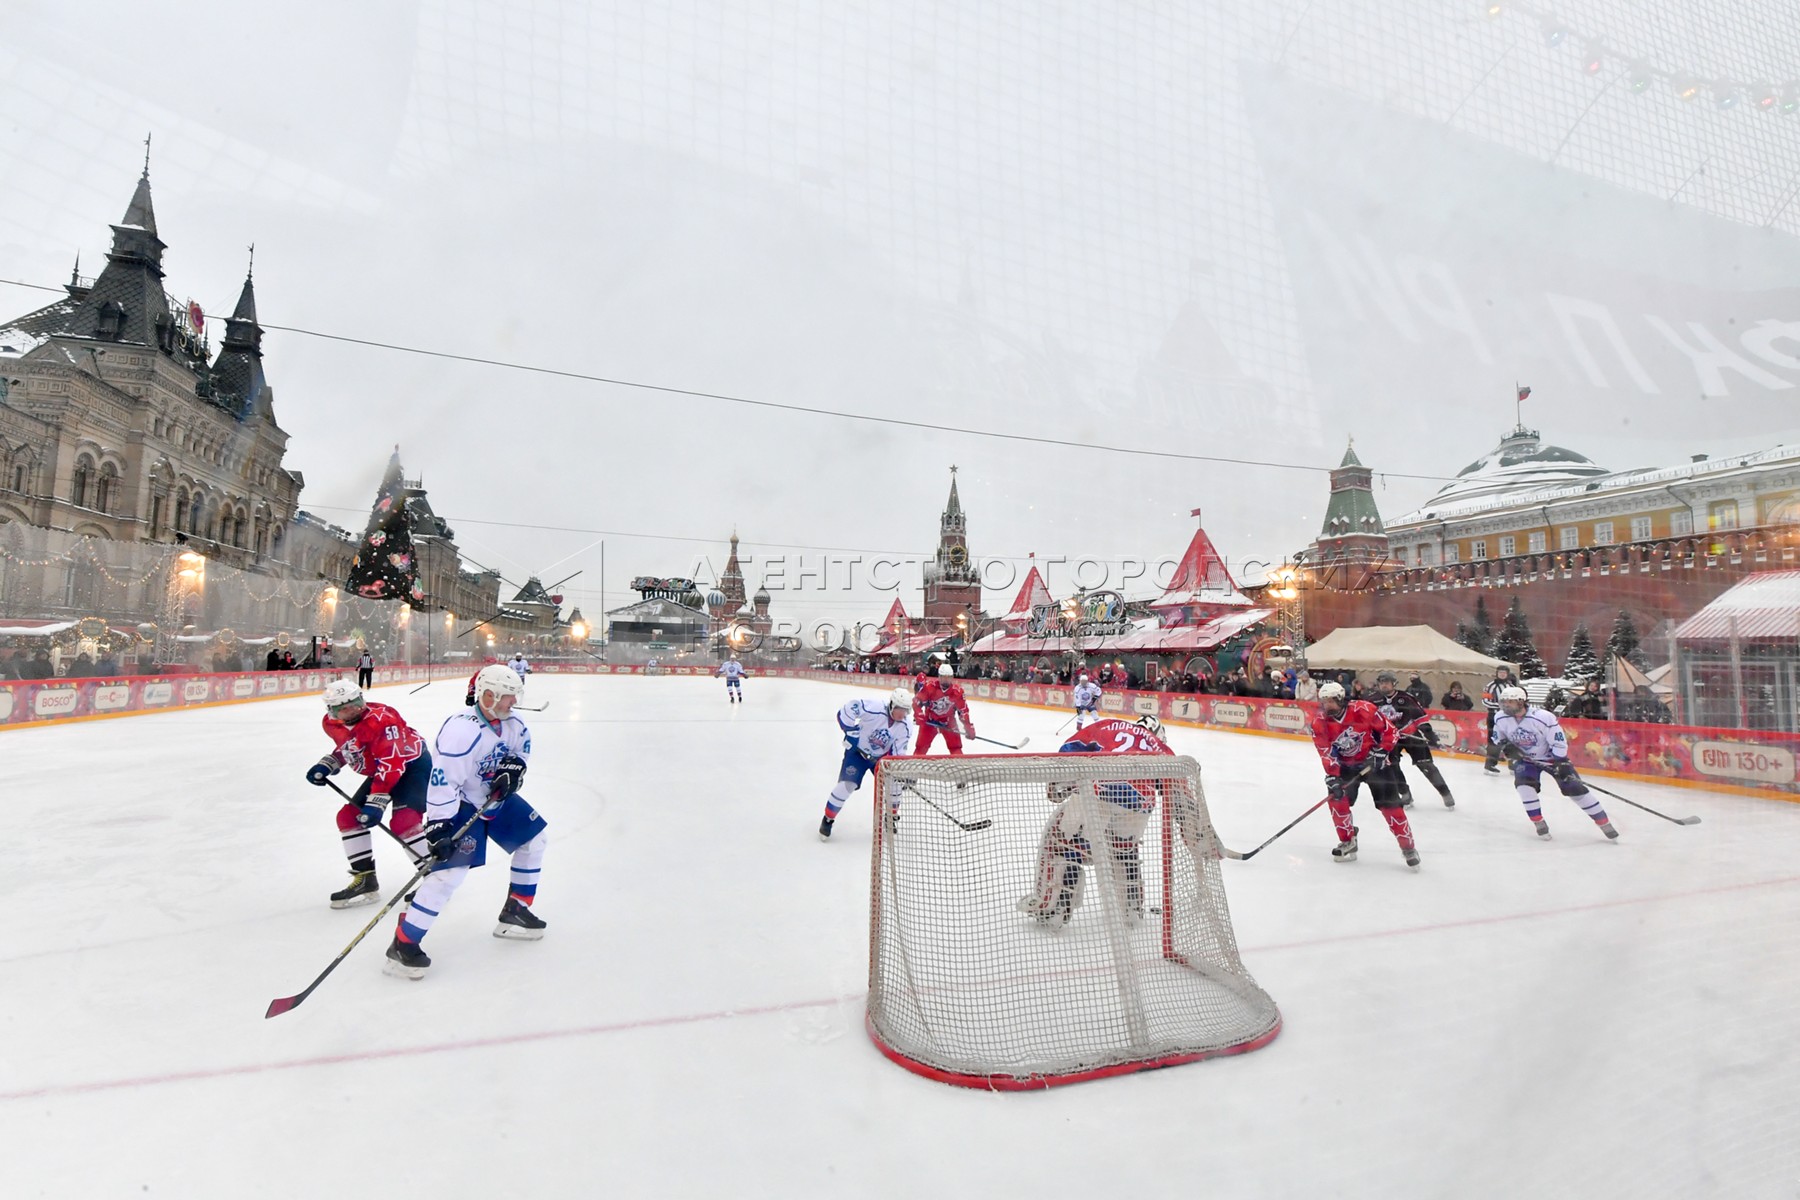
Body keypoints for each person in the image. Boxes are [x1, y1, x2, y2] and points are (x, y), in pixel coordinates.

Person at [386, 664, 548, 979]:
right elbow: (443, 782)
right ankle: (403, 944)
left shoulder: (514, 723)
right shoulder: (462, 730)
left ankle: (516, 910)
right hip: (461, 804)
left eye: (514, 696)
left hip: (494, 799)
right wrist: (439, 825)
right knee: (450, 874)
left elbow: (520, 752)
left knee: (535, 839)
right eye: (506, 697)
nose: (512, 703)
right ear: (488, 695)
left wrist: (514, 769)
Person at [1018, 714, 1191, 923]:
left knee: (1064, 844)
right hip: (1139, 804)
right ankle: (1131, 910)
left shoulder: (1111, 725)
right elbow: (1176, 788)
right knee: (1125, 850)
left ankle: (1054, 907)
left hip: (1100, 790)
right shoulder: (1158, 746)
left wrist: (1058, 782)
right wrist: (1192, 826)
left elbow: (1072, 746)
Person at [305, 680, 435, 907]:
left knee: (404, 823)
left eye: (355, 703)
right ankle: (365, 879)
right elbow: (353, 745)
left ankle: (436, 880)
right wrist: (329, 763)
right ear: (332, 711)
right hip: (383, 768)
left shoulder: (383, 720)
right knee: (348, 818)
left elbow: (392, 762)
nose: (352, 710)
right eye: (343, 708)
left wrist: (376, 803)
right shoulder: (331, 724)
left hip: (412, 765)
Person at [1310, 681, 1419, 869]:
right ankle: (1348, 841)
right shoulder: (1319, 723)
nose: (1327, 706)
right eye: (1324, 701)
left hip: (1375, 764)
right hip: (1345, 766)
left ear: (1340, 699)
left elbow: (1390, 732)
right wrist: (1332, 776)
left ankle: (1408, 847)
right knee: (1337, 801)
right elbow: (1325, 751)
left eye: (1330, 701)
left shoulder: (1364, 709)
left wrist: (1380, 752)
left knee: (1391, 807)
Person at [1491, 686, 1618, 842]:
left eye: (1509, 702)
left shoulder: (1543, 717)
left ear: (1521, 701)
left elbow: (1558, 741)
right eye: (1503, 702)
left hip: (1551, 758)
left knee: (1575, 789)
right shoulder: (1500, 717)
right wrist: (1506, 746)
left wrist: (1560, 762)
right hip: (1526, 760)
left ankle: (1603, 822)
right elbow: (1498, 736)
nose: (1505, 706)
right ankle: (1538, 822)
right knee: (1524, 786)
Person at [819, 687, 914, 841]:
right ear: (891, 705)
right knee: (847, 785)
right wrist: (851, 731)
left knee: (895, 784)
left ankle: (890, 817)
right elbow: (848, 709)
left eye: (905, 710)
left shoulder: (905, 726)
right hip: (857, 753)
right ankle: (828, 819)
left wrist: (895, 768)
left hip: (881, 759)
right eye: (899, 709)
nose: (901, 713)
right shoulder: (875, 708)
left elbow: (898, 752)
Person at [1371, 671, 1455, 809]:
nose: (1384, 685)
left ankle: (1445, 793)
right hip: (1389, 740)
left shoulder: (1406, 698)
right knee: (1392, 767)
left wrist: (1431, 736)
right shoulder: (1372, 701)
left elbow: (1420, 719)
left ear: (1394, 684)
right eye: (1381, 683)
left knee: (1427, 766)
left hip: (1410, 735)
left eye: (1387, 682)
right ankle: (1405, 794)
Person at [915, 664, 975, 755]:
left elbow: (963, 711)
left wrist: (968, 726)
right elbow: (917, 701)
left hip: (948, 723)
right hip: (930, 721)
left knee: (956, 748)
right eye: (944, 677)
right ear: (939, 677)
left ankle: (959, 765)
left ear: (952, 677)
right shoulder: (929, 687)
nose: (946, 679)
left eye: (949, 677)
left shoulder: (957, 692)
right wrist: (918, 714)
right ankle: (915, 764)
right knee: (920, 748)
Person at [1481, 665, 1516, 772]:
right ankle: (1490, 764)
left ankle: (1513, 763)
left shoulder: (1511, 687)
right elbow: (1484, 701)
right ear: (1496, 673)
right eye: (1500, 672)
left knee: (1511, 739)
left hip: (1508, 718)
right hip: (1494, 717)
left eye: (1504, 673)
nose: (1502, 674)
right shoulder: (1490, 686)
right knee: (1493, 740)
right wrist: (1500, 706)